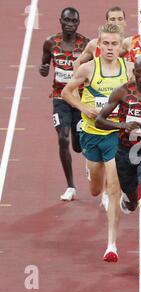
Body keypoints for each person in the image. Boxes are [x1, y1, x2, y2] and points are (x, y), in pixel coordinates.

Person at [61, 24, 130, 262]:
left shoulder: (128, 70)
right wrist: (82, 107)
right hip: (91, 135)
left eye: (115, 44)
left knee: (114, 189)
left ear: (121, 47)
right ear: (98, 45)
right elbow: (66, 92)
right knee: (95, 190)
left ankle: (111, 244)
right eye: (106, 43)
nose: (110, 48)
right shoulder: (88, 68)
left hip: (115, 136)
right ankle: (91, 175)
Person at [95, 55, 141, 277]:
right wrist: (123, 124)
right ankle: (128, 197)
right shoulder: (122, 92)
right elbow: (100, 120)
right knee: (132, 197)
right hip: (126, 152)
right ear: (134, 72)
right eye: (140, 72)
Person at [39, 7, 89, 201]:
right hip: (60, 98)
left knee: (78, 145)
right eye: (67, 20)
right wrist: (43, 70)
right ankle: (70, 186)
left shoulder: (85, 45)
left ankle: (89, 163)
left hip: (78, 99)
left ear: (78, 22)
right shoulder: (51, 43)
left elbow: (91, 70)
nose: (70, 24)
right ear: (60, 20)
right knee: (62, 138)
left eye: (74, 21)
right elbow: (43, 66)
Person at [73, 6, 127, 71]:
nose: (116, 23)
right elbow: (77, 63)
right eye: (112, 19)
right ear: (107, 22)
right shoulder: (94, 45)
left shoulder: (131, 45)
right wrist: (79, 80)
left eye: (120, 19)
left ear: (124, 22)